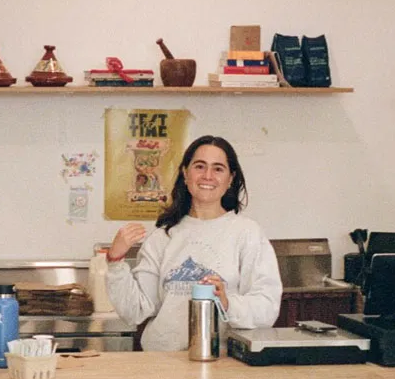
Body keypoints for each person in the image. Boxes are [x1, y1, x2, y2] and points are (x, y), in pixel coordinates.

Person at [106, 135, 282, 351]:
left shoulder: (247, 234)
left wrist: (227, 303)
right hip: (162, 364)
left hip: (225, 364)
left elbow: (267, 308)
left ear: (230, 179)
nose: (207, 176)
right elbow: (136, 311)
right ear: (185, 173)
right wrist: (115, 261)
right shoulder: (162, 237)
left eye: (218, 168)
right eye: (200, 166)